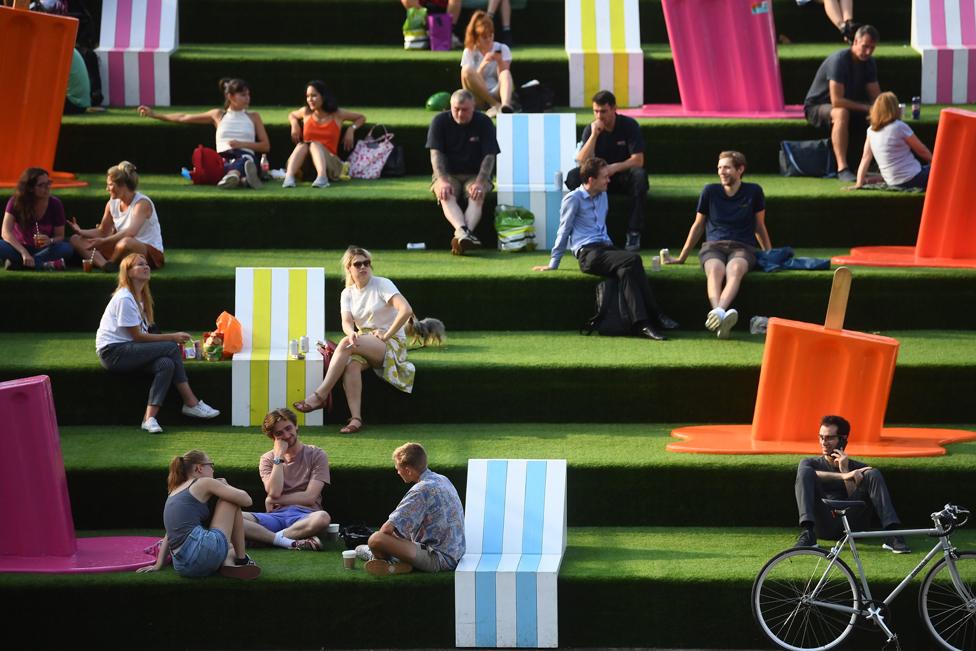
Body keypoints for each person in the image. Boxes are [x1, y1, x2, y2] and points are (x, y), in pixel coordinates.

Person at [533, 157, 677, 341]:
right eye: (604, 177)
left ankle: (642, 324)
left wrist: (612, 248)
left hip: (604, 248)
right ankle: (655, 315)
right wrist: (553, 263)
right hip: (588, 254)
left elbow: (602, 228)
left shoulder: (603, 195)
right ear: (591, 180)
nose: (609, 180)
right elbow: (564, 231)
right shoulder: (573, 199)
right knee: (632, 260)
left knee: (628, 267)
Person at [293, 247, 416, 433]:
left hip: (390, 342)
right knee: (351, 364)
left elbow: (406, 310)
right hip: (364, 339)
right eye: (357, 264)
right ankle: (356, 419)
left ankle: (320, 395)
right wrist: (351, 332)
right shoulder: (347, 293)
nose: (363, 267)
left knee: (345, 344)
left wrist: (386, 335)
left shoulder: (382, 284)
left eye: (366, 263)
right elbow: (346, 322)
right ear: (349, 268)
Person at [95, 253, 220, 433]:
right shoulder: (124, 298)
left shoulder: (140, 298)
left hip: (129, 349)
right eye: (140, 265)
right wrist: (172, 337)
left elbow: (145, 333)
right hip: (113, 353)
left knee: (166, 364)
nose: (146, 267)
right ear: (128, 272)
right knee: (170, 347)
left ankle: (149, 418)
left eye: (146, 264)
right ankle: (191, 402)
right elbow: (137, 337)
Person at [665, 151, 771, 339]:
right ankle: (719, 313)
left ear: (740, 169)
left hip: (743, 247)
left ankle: (719, 313)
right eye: (719, 168)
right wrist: (682, 257)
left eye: (727, 167)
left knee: (736, 269)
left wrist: (769, 253)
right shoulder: (710, 191)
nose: (722, 172)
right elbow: (698, 226)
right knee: (715, 270)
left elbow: (759, 226)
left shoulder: (754, 191)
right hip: (713, 246)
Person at [137, 449, 261, 579]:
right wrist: (226, 485)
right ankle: (242, 559)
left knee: (230, 547)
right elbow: (247, 500)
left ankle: (228, 563)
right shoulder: (203, 482)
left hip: (182, 566)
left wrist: (158, 564)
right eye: (211, 465)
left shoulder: (175, 490)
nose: (213, 470)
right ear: (199, 468)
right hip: (200, 552)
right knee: (230, 499)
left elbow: (170, 533)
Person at [794, 415, 909, 553]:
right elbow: (809, 473)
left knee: (873, 473)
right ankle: (808, 532)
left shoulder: (858, 467)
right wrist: (845, 475)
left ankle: (893, 534)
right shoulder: (809, 463)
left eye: (830, 438)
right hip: (824, 524)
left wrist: (845, 469)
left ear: (843, 439)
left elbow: (855, 500)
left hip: (853, 524)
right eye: (821, 437)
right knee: (805, 472)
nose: (824, 442)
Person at [138, 78, 269, 189]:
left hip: (245, 155)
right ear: (231, 96)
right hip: (222, 157)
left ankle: (234, 175)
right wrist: (154, 114)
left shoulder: (253, 116)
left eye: (248, 95)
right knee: (208, 158)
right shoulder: (218, 115)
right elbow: (184, 117)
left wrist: (241, 144)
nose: (247, 99)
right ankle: (243, 180)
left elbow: (265, 146)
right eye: (243, 95)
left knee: (244, 161)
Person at [357, 442, 465, 576]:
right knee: (396, 537)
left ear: (408, 470)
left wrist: (386, 546)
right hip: (457, 553)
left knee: (375, 539)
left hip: (439, 559)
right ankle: (396, 561)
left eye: (398, 468)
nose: (397, 472)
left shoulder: (420, 490)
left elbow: (386, 530)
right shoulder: (443, 479)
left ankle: (384, 560)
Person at [565, 90, 648, 252]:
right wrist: (594, 136)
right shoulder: (591, 129)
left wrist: (613, 167)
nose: (599, 116)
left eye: (603, 111)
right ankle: (582, 228)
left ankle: (634, 232)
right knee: (573, 176)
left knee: (640, 176)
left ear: (614, 108)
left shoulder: (629, 126)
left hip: (621, 176)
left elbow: (638, 160)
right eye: (596, 111)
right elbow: (581, 161)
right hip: (598, 179)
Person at [241, 408, 331, 551]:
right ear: (273, 437)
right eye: (279, 433)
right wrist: (279, 457)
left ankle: (266, 539)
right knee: (233, 516)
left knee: (322, 518)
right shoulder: (268, 459)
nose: (287, 435)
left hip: (306, 516)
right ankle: (284, 540)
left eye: (288, 428)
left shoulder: (317, 454)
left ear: (296, 426)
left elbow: (309, 497)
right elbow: (274, 492)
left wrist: (275, 501)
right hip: (275, 517)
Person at [426, 89, 500, 255]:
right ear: (450, 107)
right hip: (447, 173)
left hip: (475, 174)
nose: (460, 114)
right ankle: (464, 233)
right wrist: (442, 180)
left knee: (477, 194)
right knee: (444, 193)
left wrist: (480, 182)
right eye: (456, 109)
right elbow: (435, 155)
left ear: (473, 106)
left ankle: (462, 235)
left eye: (464, 110)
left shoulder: (484, 122)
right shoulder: (439, 121)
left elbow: (489, 155)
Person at [803, 25, 881, 181]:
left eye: (872, 48)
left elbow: (876, 96)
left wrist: (885, 109)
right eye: (865, 46)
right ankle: (842, 168)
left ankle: (877, 163)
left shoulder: (869, 62)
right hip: (817, 107)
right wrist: (868, 108)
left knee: (881, 112)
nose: (868, 52)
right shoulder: (839, 61)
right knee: (841, 113)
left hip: (848, 104)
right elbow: (837, 101)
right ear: (855, 41)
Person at [67, 161, 165, 273]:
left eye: (110, 185)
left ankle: (112, 262)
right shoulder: (111, 204)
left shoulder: (142, 203)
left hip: (146, 251)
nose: (107, 189)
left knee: (126, 242)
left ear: (122, 185)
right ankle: (105, 266)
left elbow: (130, 232)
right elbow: (103, 231)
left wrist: (104, 242)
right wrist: (81, 232)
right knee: (75, 239)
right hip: (120, 248)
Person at [282, 80, 365, 188]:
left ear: (323, 96)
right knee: (302, 145)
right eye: (308, 96)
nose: (310, 100)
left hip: (330, 164)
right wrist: (294, 125)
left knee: (314, 144)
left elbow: (361, 117)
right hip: (307, 165)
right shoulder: (306, 112)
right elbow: (292, 115)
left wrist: (351, 129)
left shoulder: (337, 114)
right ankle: (289, 177)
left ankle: (322, 177)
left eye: (314, 96)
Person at [852, 92, 932, 191]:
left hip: (892, 182)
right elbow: (921, 150)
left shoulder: (871, 130)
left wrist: (859, 183)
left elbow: (865, 158)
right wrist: (935, 163)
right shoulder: (899, 126)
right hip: (913, 178)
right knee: (945, 169)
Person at [1, 168, 73, 271]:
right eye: (41, 185)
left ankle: (21, 264)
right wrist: (24, 252)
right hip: (18, 248)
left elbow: (60, 236)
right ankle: (43, 264)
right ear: (30, 188)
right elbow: (5, 232)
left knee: (67, 248)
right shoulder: (16, 201)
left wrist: (50, 240)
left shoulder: (55, 204)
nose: (47, 187)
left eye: (48, 183)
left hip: (43, 250)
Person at [460, 11, 514, 116]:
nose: (489, 40)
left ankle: (505, 106)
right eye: (484, 37)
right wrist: (484, 64)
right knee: (466, 70)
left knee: (505, 73)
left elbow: (503, 78)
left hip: (496, 91)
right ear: (476, 37)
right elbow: (469, 80)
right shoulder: (469, 52)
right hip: (477, 95)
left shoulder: (502, 48)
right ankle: (494, 105)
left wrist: (499, 62)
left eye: (491, 35)